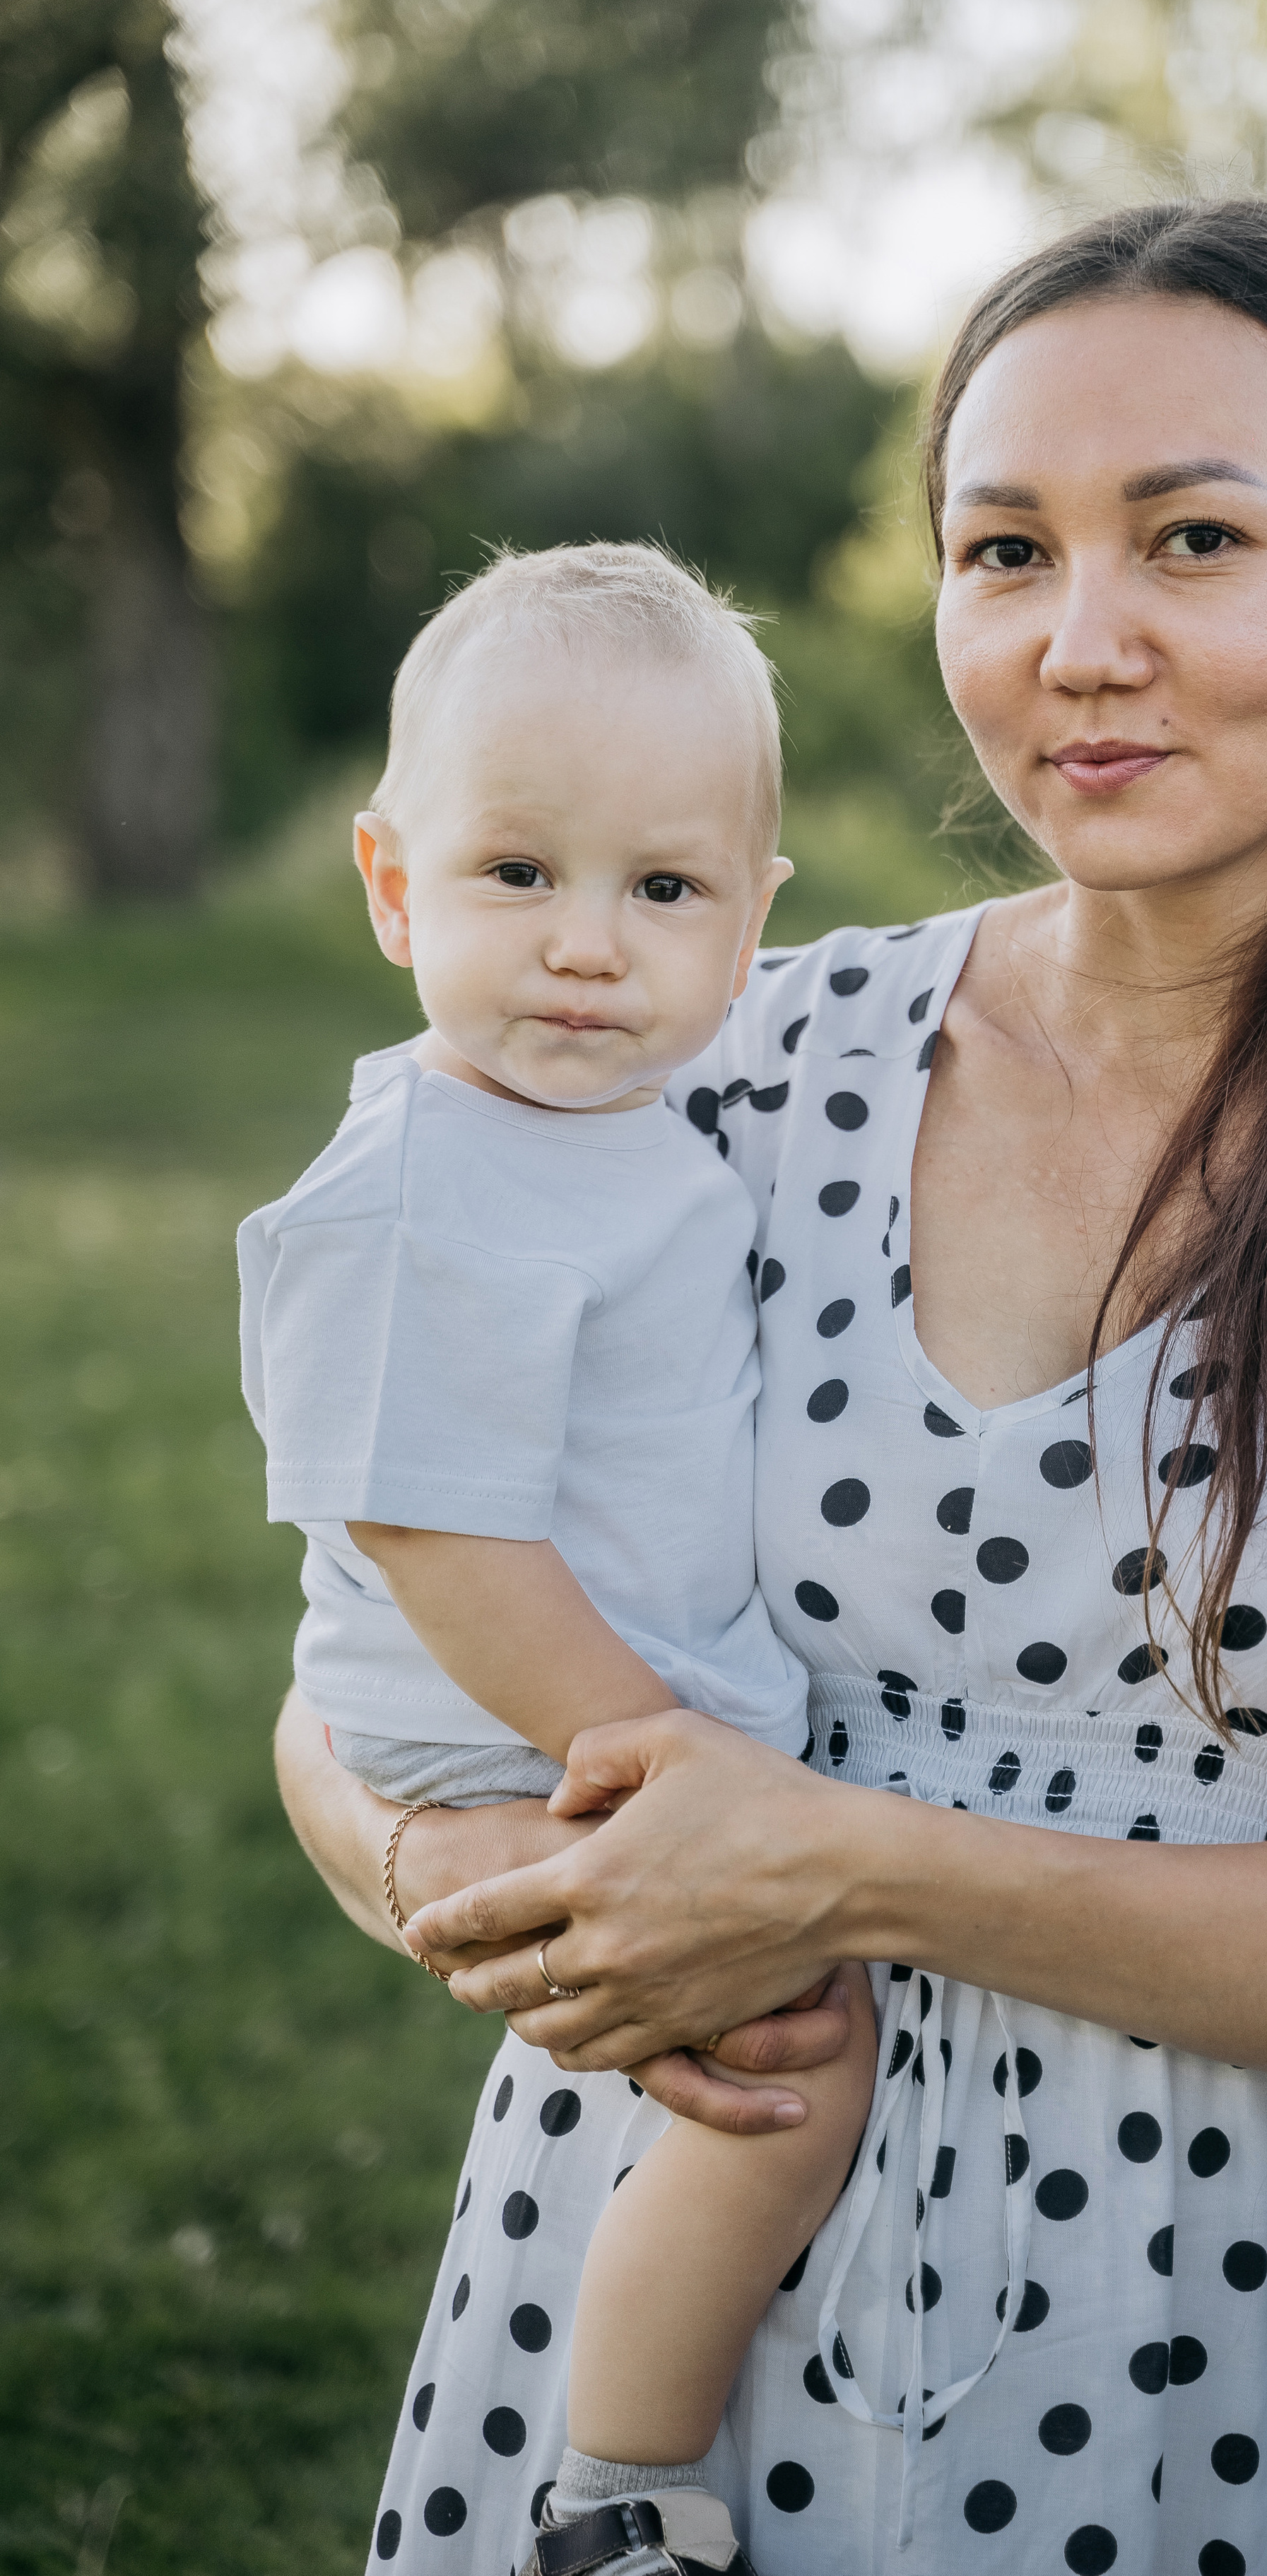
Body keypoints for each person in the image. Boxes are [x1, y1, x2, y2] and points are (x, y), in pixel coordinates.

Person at [278, 198, 1267, 2576]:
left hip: (1240, 2347)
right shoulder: (728, 1052)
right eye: (1005, 551)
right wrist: (452, 1868)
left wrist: (844, 1868)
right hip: (660, 2266)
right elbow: (365, 1635)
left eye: (1194, 537)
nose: (1083, 646)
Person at [242, 540, 878, 2576]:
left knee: (746, 2068)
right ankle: (621, 2486)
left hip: (589, 1709)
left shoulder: (613, 1128)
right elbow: (437, 1533)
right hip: (506, 1729)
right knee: (789, 2064)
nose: (589, 948)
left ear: (755, 920)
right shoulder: (423, 1183)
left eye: (663, 890)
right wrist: (656, 1759)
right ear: (391, 883)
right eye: (520, 876)